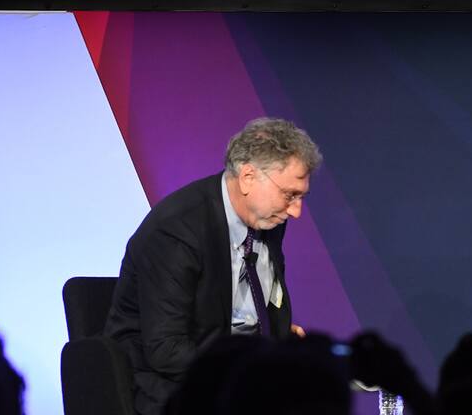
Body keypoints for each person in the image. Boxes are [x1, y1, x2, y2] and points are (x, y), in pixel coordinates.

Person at [106, 117, 322, 415]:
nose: (296, 211)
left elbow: (255, 304)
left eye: (300, 197)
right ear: (247, 177)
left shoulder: (269, 220)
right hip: (168, 385)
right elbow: (166, 351)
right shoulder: (177, 230)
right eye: (289, 195)